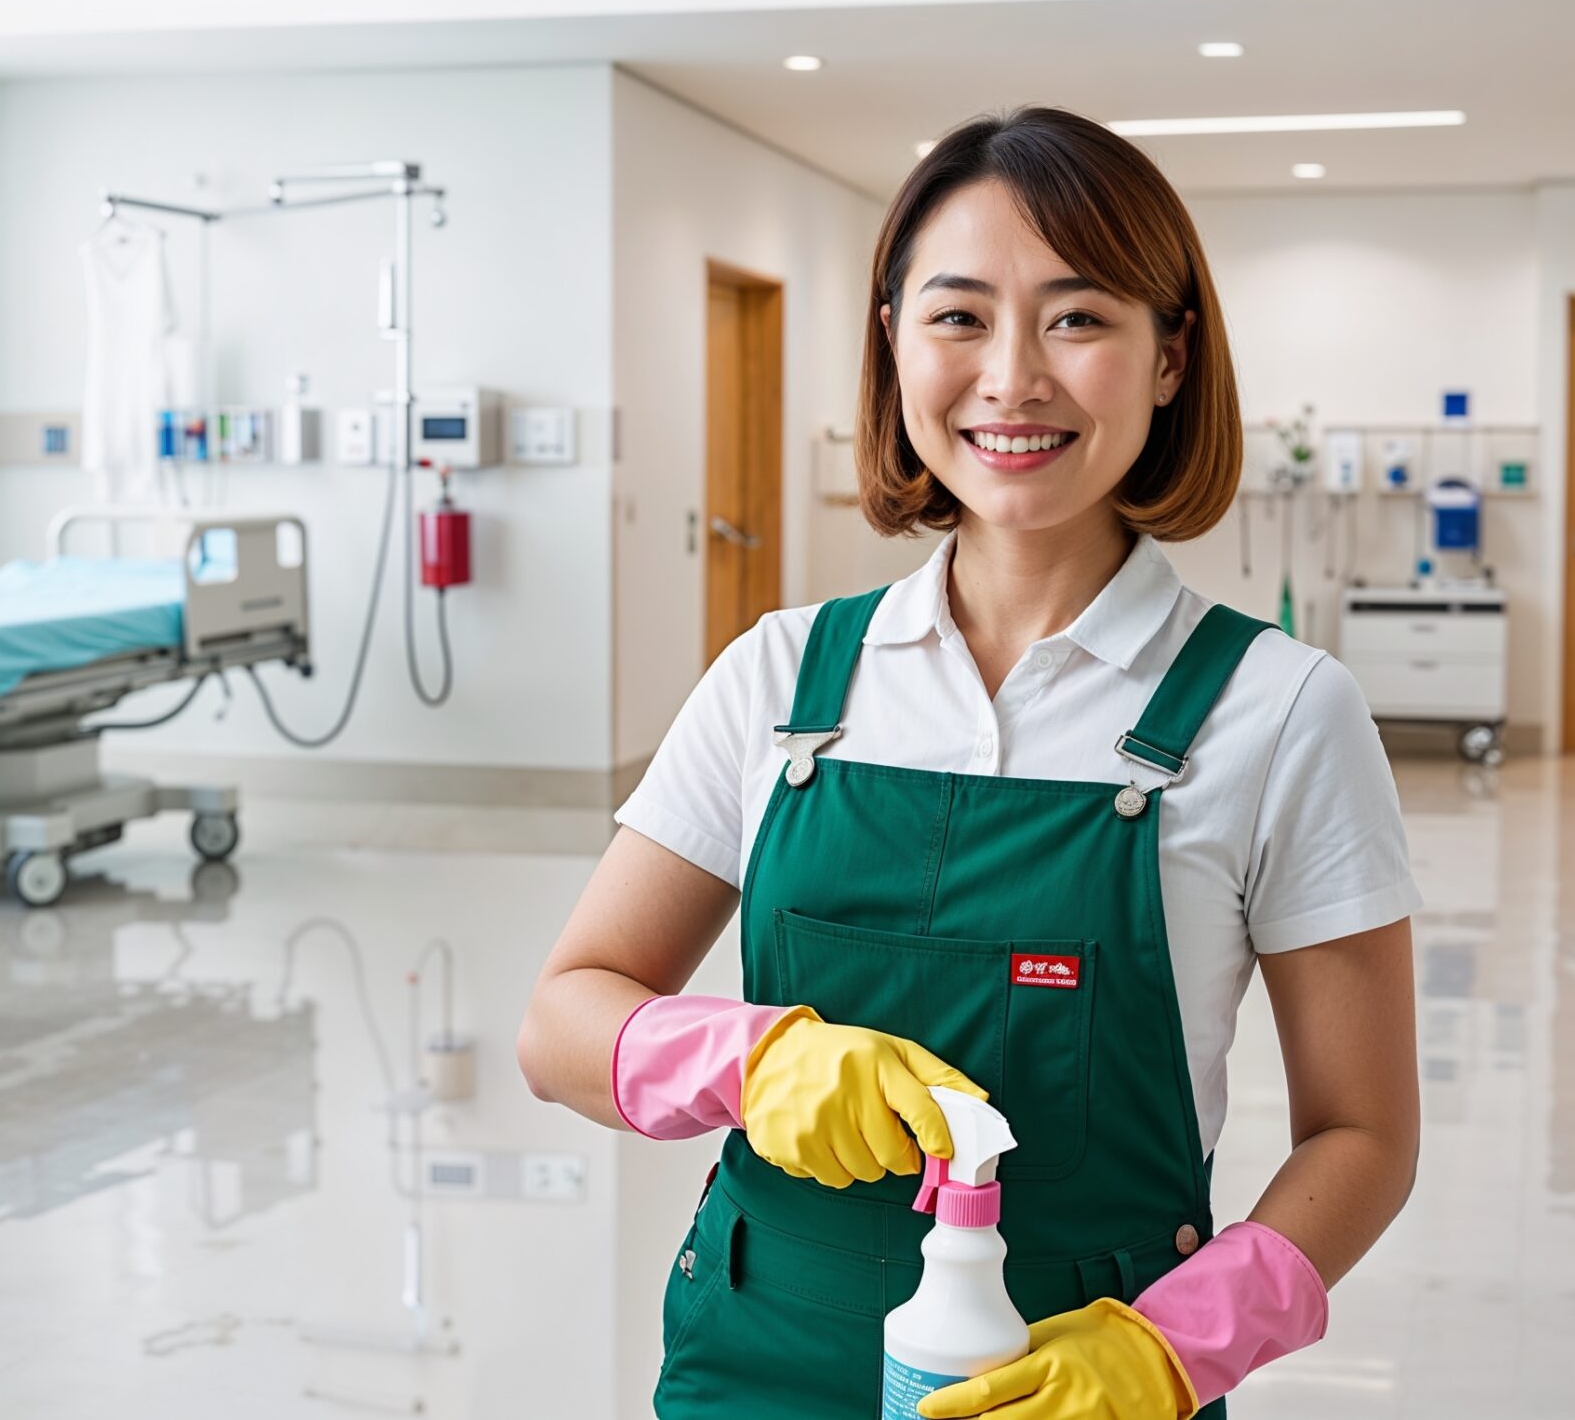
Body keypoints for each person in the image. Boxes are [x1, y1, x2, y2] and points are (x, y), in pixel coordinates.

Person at [519, 106, 1419, 1419]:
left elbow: (1366, 1134)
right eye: (956, 317)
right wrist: (755, 1059)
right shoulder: (782, 679)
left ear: (1170, 358)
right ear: (891, 343)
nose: (1010, 377)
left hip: (1082, 1384)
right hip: (754, 1364)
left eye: (1077, 317)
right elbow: (560, 1024)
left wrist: (1173, 1349)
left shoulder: (1280, 713)